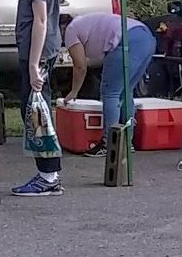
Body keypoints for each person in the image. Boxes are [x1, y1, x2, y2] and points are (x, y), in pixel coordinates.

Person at [1, 0, 64, 197]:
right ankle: (49, 173)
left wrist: (34, 64)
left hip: (38, 49)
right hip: (39, 46)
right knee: (38, 110)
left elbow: (41, 18)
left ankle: (48, 176)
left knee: (38, 111)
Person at [61, 11, 157, 156]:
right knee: (126, 91)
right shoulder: (84, 22)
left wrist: (74, 91)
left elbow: (80, 66)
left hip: (126, 41)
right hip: (146, 37)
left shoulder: (70, 30)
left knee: (111, 92)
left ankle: (109, 144)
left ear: (60, 27)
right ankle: (126, 142)